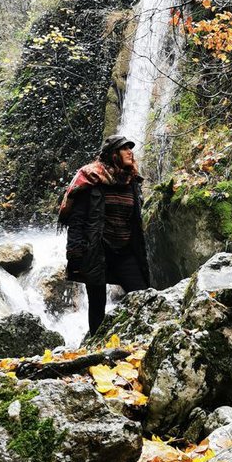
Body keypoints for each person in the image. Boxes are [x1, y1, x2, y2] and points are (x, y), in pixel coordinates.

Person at [58, 134, 150, 337]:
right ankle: (96, 347)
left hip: (124, 250)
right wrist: (75, 253)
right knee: (97, 303)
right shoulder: (92, 180)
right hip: (97, 249)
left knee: (143, 296)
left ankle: (140, 341)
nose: (130, 152)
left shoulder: (132, 180)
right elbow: (77, 220)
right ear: (113, 154)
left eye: (130, 148)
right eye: (124, 148)